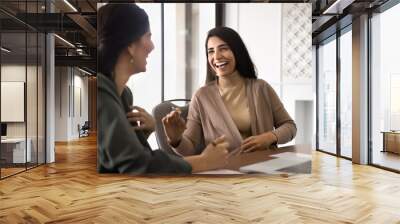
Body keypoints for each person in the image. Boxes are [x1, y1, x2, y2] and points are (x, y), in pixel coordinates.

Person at [97, 3, 229, 174]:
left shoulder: (124, 95)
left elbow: (119, 157)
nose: (152, 46)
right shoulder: (101, 91)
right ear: (130, 44)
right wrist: (203, 161)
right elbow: (137, 165)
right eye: (148, 37)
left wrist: (146, 132)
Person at [163, 27, 297, 156]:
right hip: (225, 172)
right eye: (210, 51)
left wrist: (269, 137)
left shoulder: (261, 88)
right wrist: (176, 140)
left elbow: (290, 126)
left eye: (224, 49)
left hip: (265, 168)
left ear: (237, 51)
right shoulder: (201, 96)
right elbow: (189, 148)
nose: (216, 56)